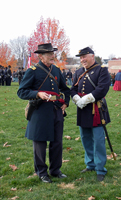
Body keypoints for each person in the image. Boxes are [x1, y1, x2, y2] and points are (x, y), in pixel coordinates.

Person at [17, 43, 70, 183]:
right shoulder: (33, 71)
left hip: (56, 111)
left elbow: (65, 89)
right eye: (49, 54)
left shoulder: (57, 70)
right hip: (40, 112)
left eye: (53, 53)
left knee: (57, 142)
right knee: (40, 144)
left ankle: (55, 170)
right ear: (41, 56)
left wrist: (66, 102)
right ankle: (41, 172)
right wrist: (37, 93)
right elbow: (21, 92)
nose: (53, 56)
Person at [71, 47, 110, 182]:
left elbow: (102, 89)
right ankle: (90, 164)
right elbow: (73, 89)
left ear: (92, 56)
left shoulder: (102, 70)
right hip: (82, 110)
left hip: (96, 109)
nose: (82, 60)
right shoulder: (79, 72)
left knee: (98, 141)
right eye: (80, 58)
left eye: (84, 57)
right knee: (85, 138)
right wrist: (76, 99)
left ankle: (100, 169)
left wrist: (85, 99)